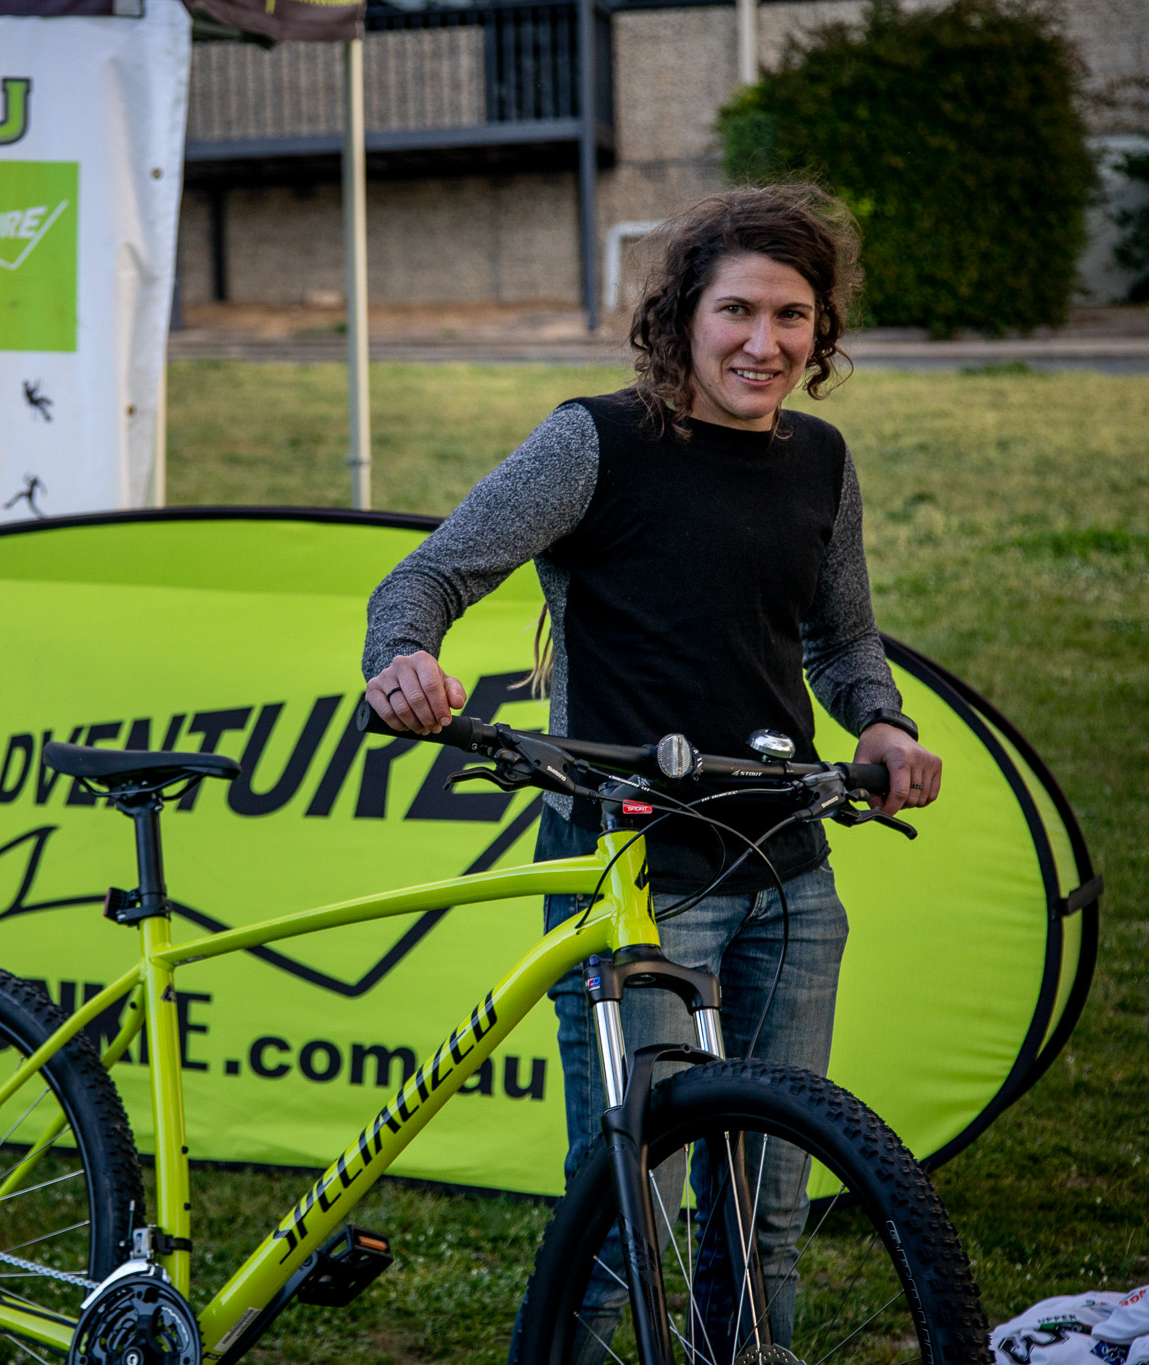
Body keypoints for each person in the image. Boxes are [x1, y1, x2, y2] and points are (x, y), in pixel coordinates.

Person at [358, 184, 943, 1349]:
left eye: (790, 316)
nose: (762, 343)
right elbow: (423, 578)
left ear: (820, 331)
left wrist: (878, 721)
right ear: (681, 316)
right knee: (627, 1213)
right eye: (736, 311)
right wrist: (402, 659)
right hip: (632, 871)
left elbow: (838, 640)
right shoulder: (595, 443)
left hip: (788, 875)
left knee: (765, 1218)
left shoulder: (819, 459)